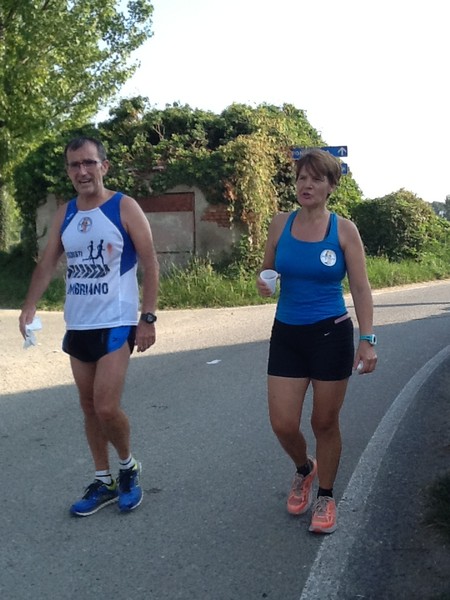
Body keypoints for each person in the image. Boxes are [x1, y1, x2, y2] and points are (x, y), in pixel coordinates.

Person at [19, 136, 159, 517]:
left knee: (106, 406)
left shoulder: (123, 207)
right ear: (68, 171)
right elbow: (48, 263)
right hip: (78, 323)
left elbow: (150, 262)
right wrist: (29, 305)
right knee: (88, 407)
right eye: (74, 165)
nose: (82, 171)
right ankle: (103, 479)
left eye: (89, 163)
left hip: (116, 322)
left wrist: (147, 317)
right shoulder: (65, 213)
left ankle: (128, 468)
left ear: (104, 166)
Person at [256, 149, 377, 534]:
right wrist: (264, 282)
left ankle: (325, 495)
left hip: (331, 334)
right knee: (282, 423)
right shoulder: (280, 223)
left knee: (324, 421)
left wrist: (367, 339)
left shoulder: (344, 230)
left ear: (331, 186)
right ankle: (304, 468)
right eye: (301, 178)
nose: (306, 185)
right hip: (287, 334)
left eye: (315, 179)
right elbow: (267, 270)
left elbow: (360, 287)